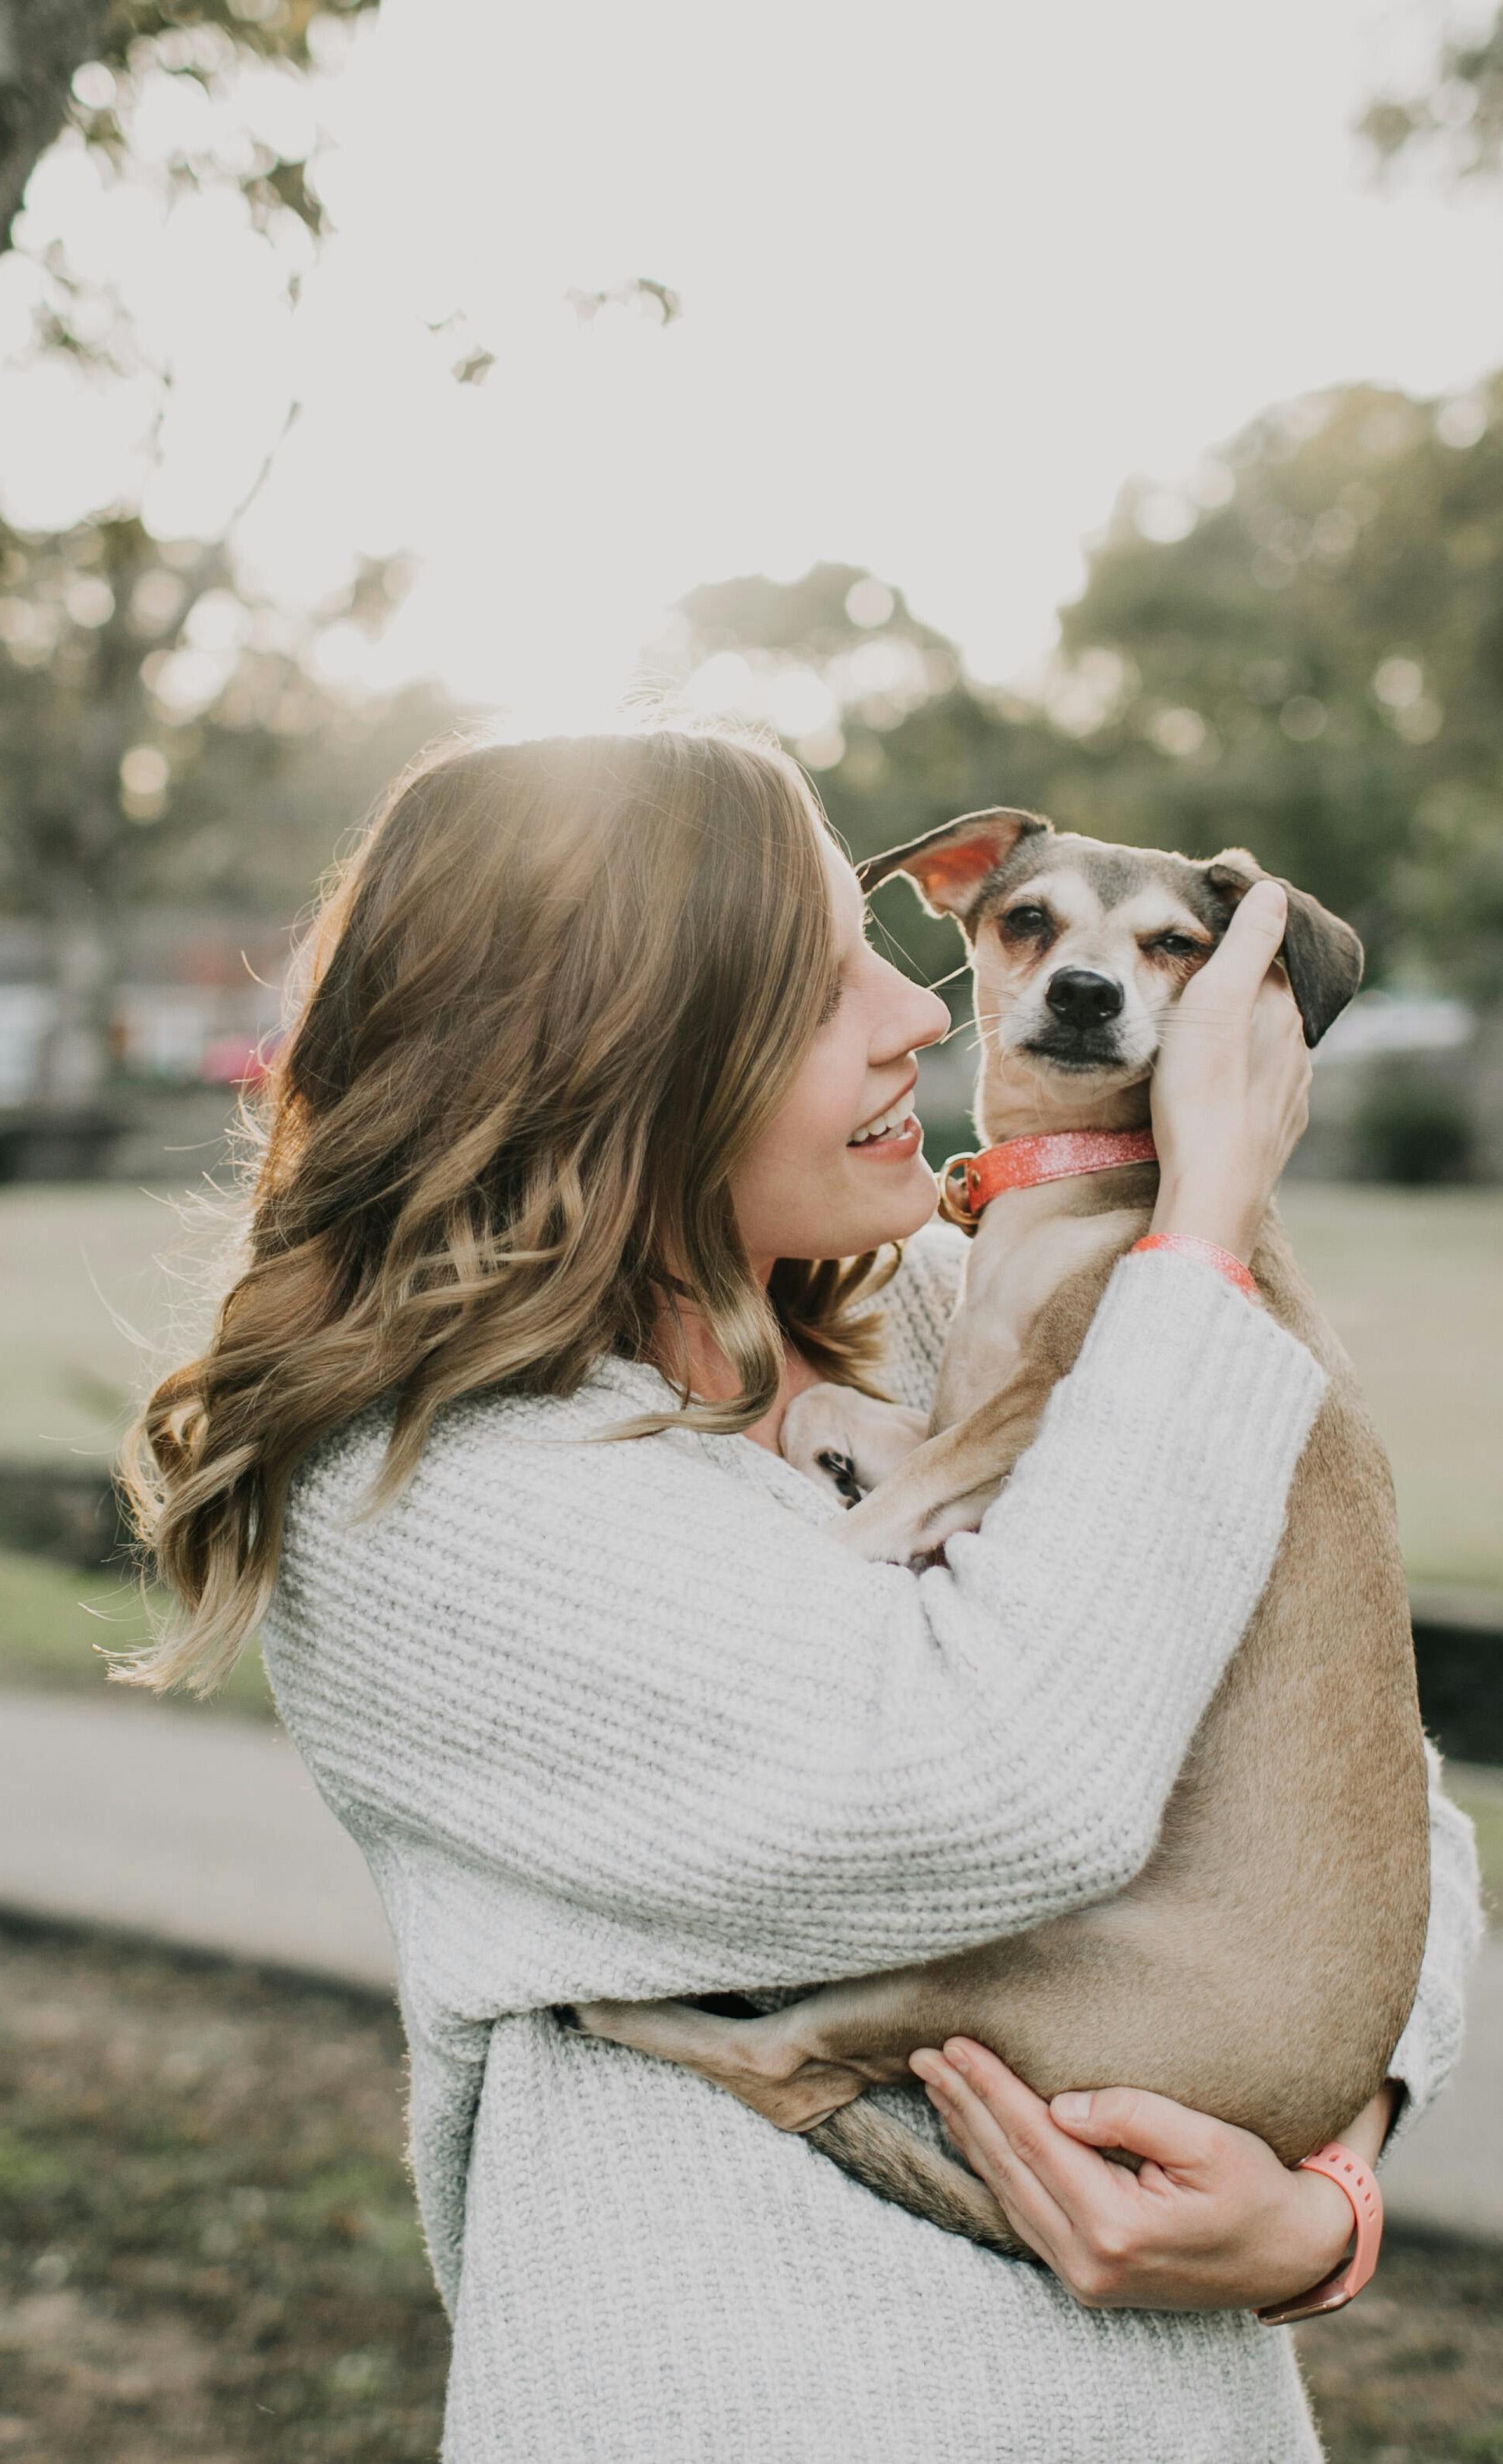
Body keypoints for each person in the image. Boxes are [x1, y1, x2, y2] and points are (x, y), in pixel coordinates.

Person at [119, 725, 1483, 2462]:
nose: (921, 1009)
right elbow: (1017, 1785)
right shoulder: (425, 1504)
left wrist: (1325, 2193)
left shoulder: (932, 1309)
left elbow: (1374, 1794)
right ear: (619, 1060)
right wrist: (1204, 1219)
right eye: (821, 980)